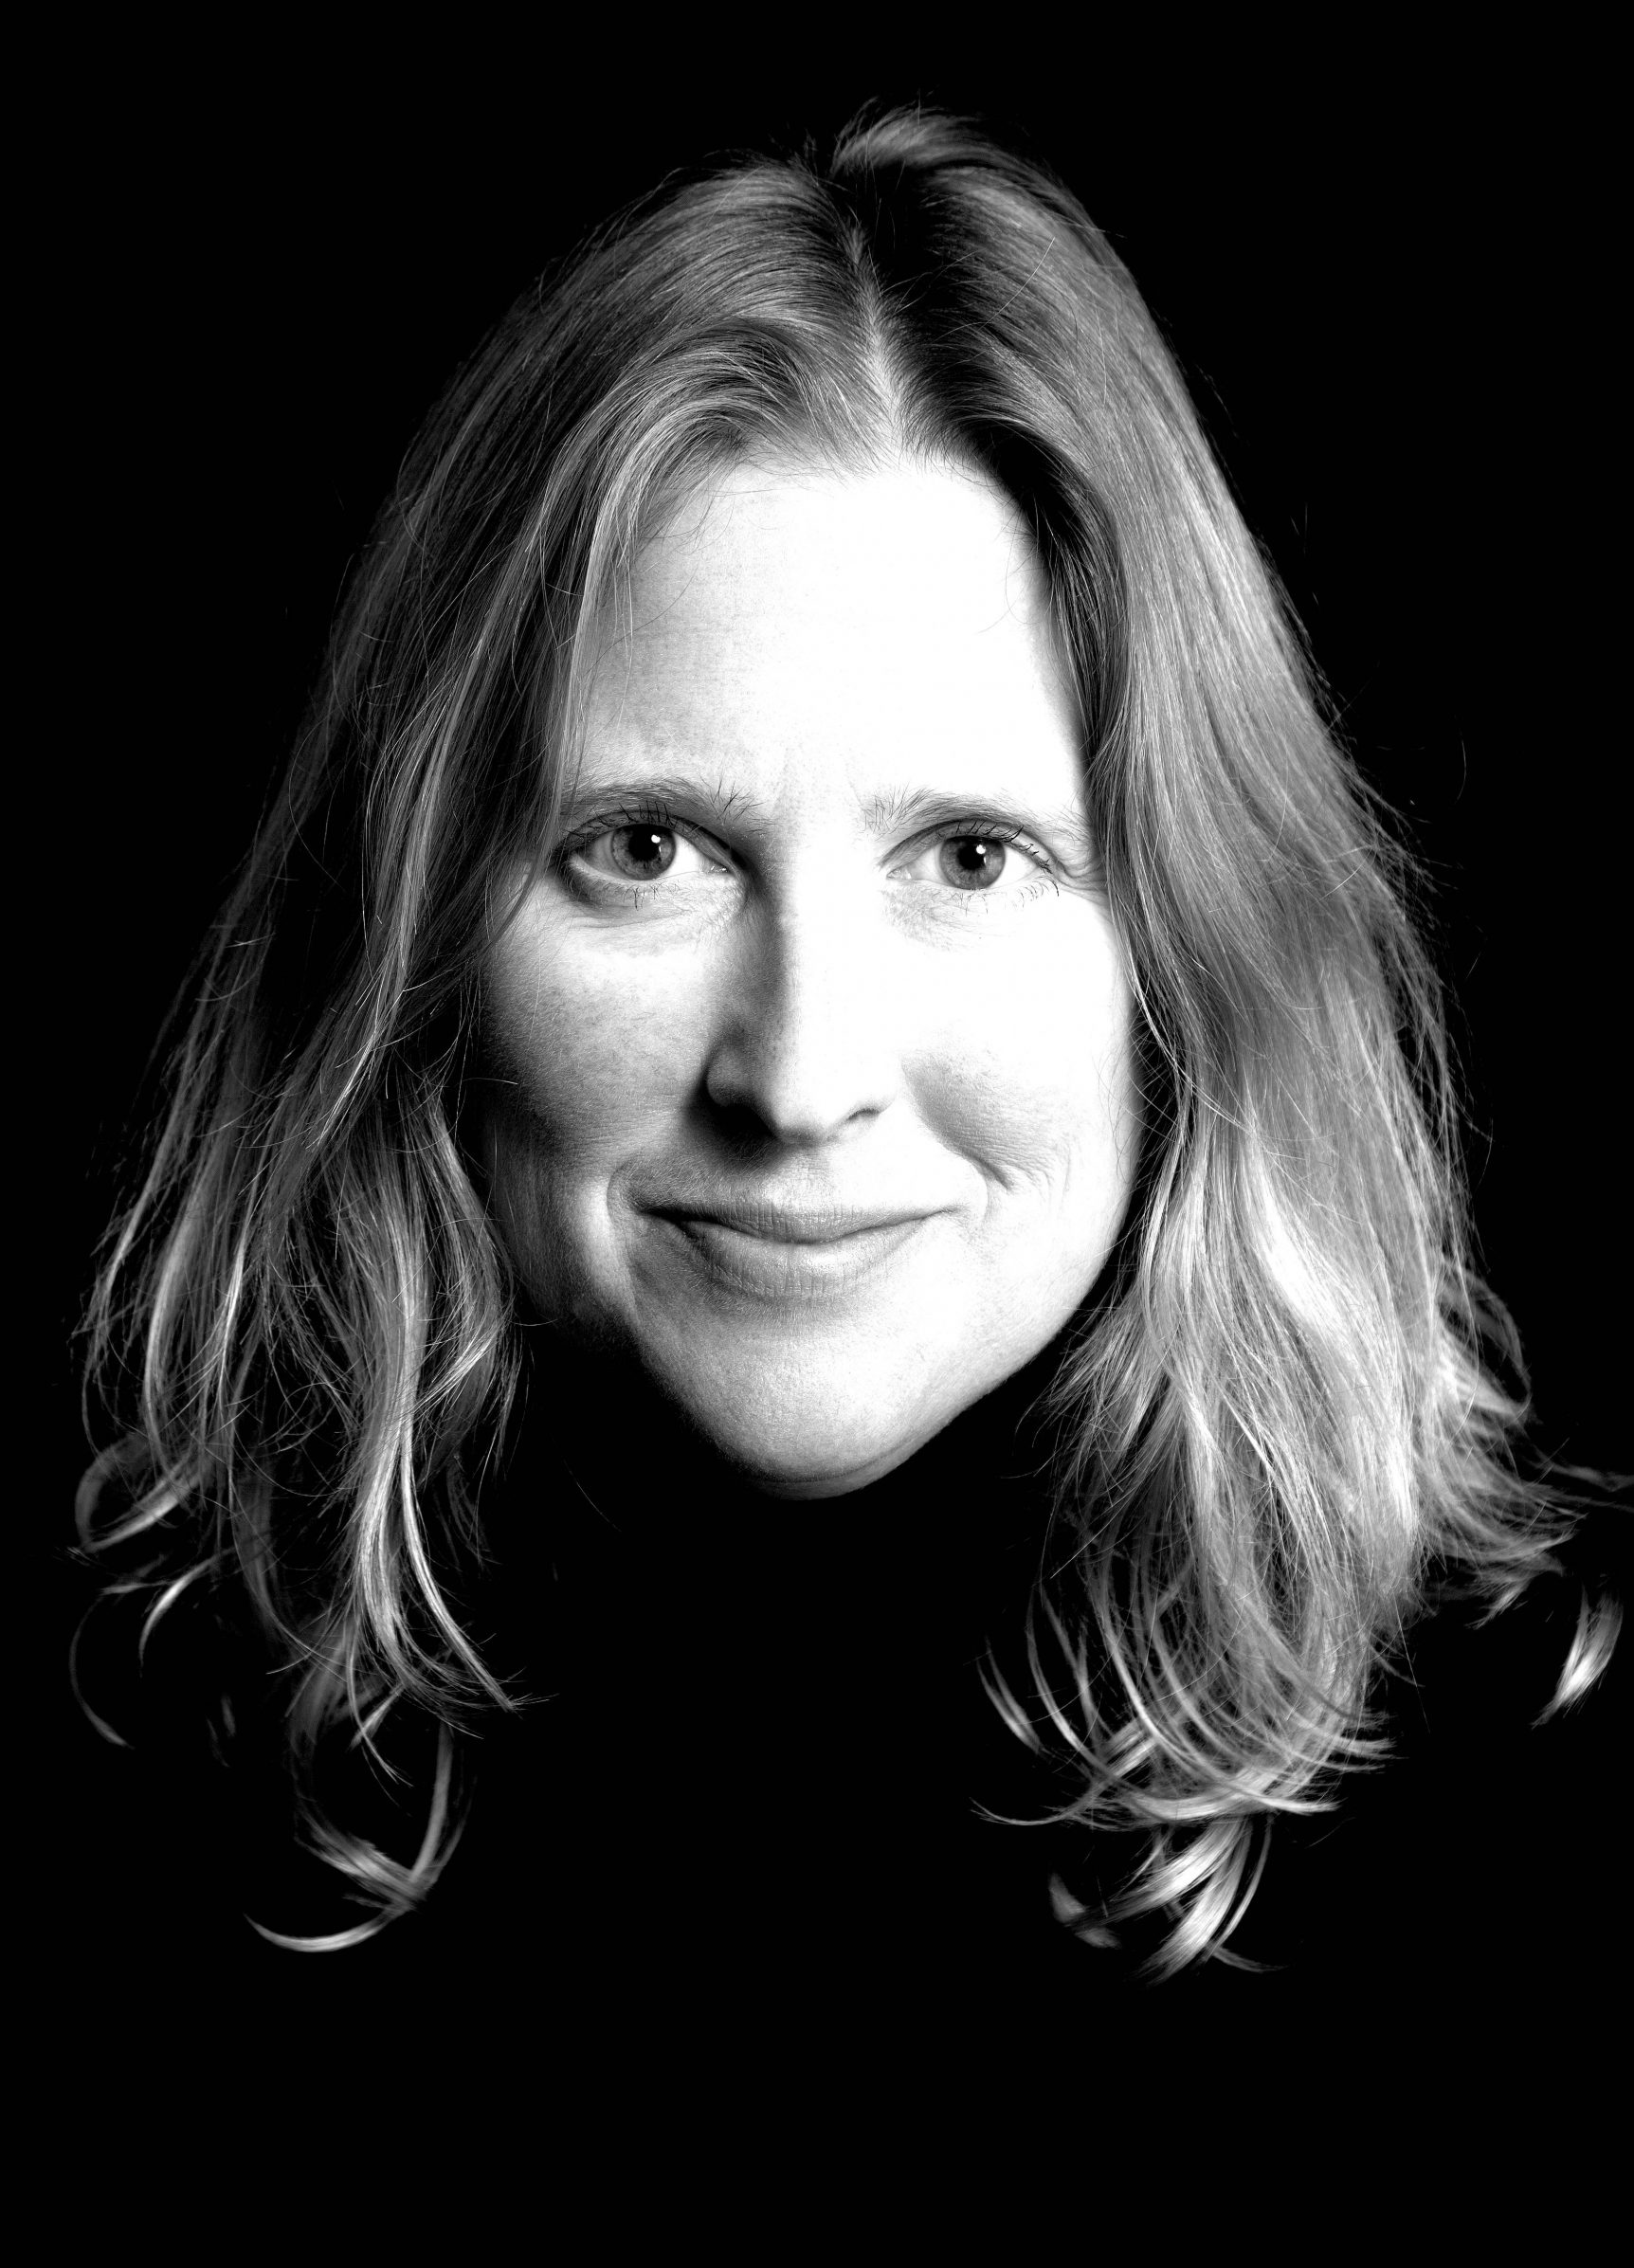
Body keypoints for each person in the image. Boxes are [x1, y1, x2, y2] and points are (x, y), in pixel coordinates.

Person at [69, 105, 1625, 2043]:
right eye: (646, 849)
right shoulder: (108, 1743)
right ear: (415, 940)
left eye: (969, 857)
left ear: (1190, 955)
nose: (799, 1081)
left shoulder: (1536, 1801)